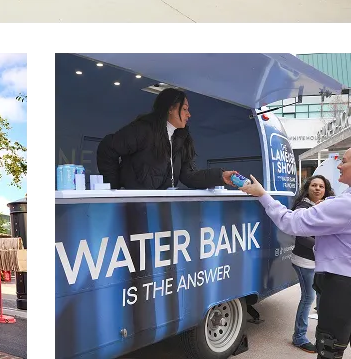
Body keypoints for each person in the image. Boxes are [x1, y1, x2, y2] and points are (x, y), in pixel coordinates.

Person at [240, 150, 351, 359]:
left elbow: (290, 222)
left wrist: (262, 195)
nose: (338, 166)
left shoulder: (343, 205)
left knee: (330, 347)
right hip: (338, 281)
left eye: (343, 162)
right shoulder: (340, 201)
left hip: (340, 284)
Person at [96, 87, 239, 189]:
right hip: (134, 208)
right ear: (170, 109)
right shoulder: (143, 130)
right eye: (184, 109)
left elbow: (189, 176)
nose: (188, 114)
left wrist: (220, 176)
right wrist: (114, 189)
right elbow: (107, 148)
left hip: (162, 207)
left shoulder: (181, 139)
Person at [287, 175, 337, 352]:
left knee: (322, 298)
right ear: (307, 188)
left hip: (321, 262)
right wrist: (324, 245)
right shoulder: (303, 207)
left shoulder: (327, 205)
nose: (317, 189)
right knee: (308, 298)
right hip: (305, 261)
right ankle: (299, 337)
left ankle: (321, 335)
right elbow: (301, 238)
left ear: (326, 189)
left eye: (321, 186)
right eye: (314, 185)